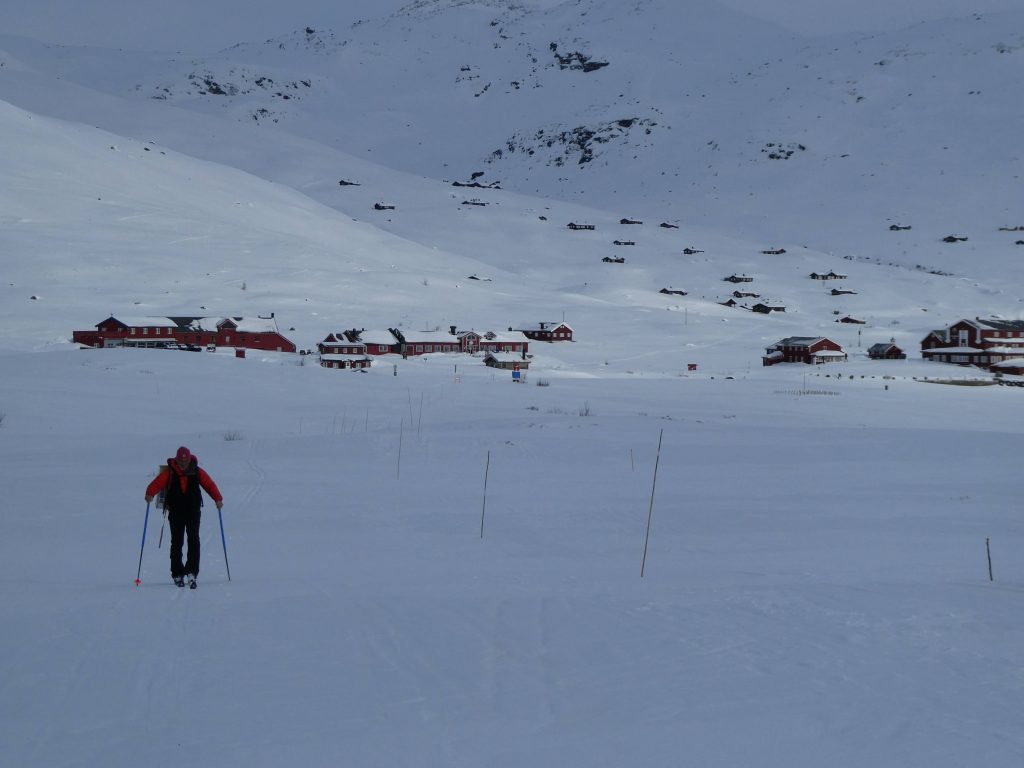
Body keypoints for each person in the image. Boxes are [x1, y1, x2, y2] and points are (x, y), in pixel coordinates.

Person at [145, 446, 223, 588]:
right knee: (177, 542)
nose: (183, 463)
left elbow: (209, 484)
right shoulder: (170, 472)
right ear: (177, 459)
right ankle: (177, 573)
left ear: (189, 459)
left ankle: (192, 571)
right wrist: (150, 493)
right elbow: (157, 483)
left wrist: (217, 498)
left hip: (193, 511)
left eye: (185, 460)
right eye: (181, 460)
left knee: (193, 540)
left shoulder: (197, 471)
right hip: (175, 512)